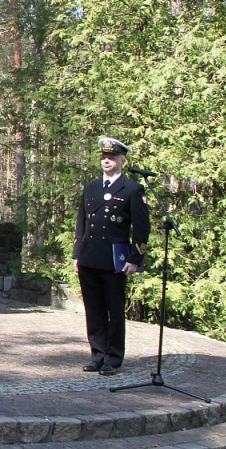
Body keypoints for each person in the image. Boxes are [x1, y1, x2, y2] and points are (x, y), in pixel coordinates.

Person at [74, 137, 151, 376]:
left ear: (122, 160)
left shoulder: (132, 189)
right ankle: (97, 354)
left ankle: (114, 357)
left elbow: (141, 228)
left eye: (112, 158)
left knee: (114, 310)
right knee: (94, 309)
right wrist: (77, 254)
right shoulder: (91, 187)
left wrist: (135, 259)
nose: (107, 161)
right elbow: (82, 223)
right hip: (89, 257)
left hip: (115, 259)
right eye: (104, 158)